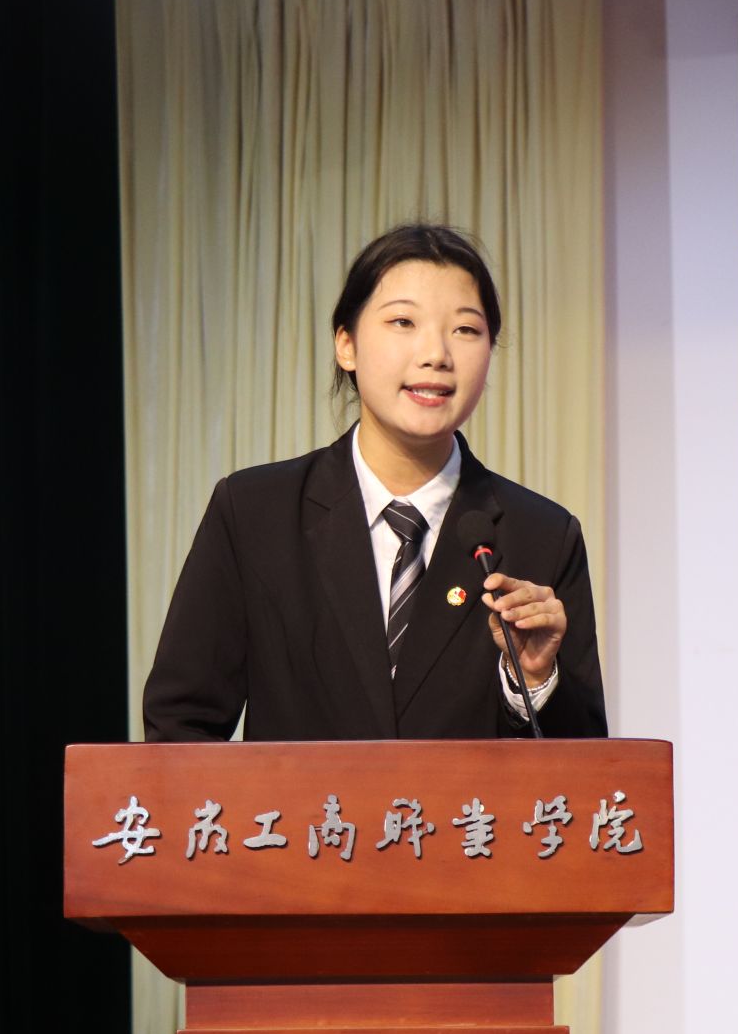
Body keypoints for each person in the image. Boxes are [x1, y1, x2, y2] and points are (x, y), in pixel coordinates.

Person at [143, 223, 606, 742]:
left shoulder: (542, 536)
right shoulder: (255, 514)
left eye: (465, 329)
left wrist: (534, 681)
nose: (436, 354)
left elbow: (585, 767)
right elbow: (180, 728)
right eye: (403, 322)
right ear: (347, 344)